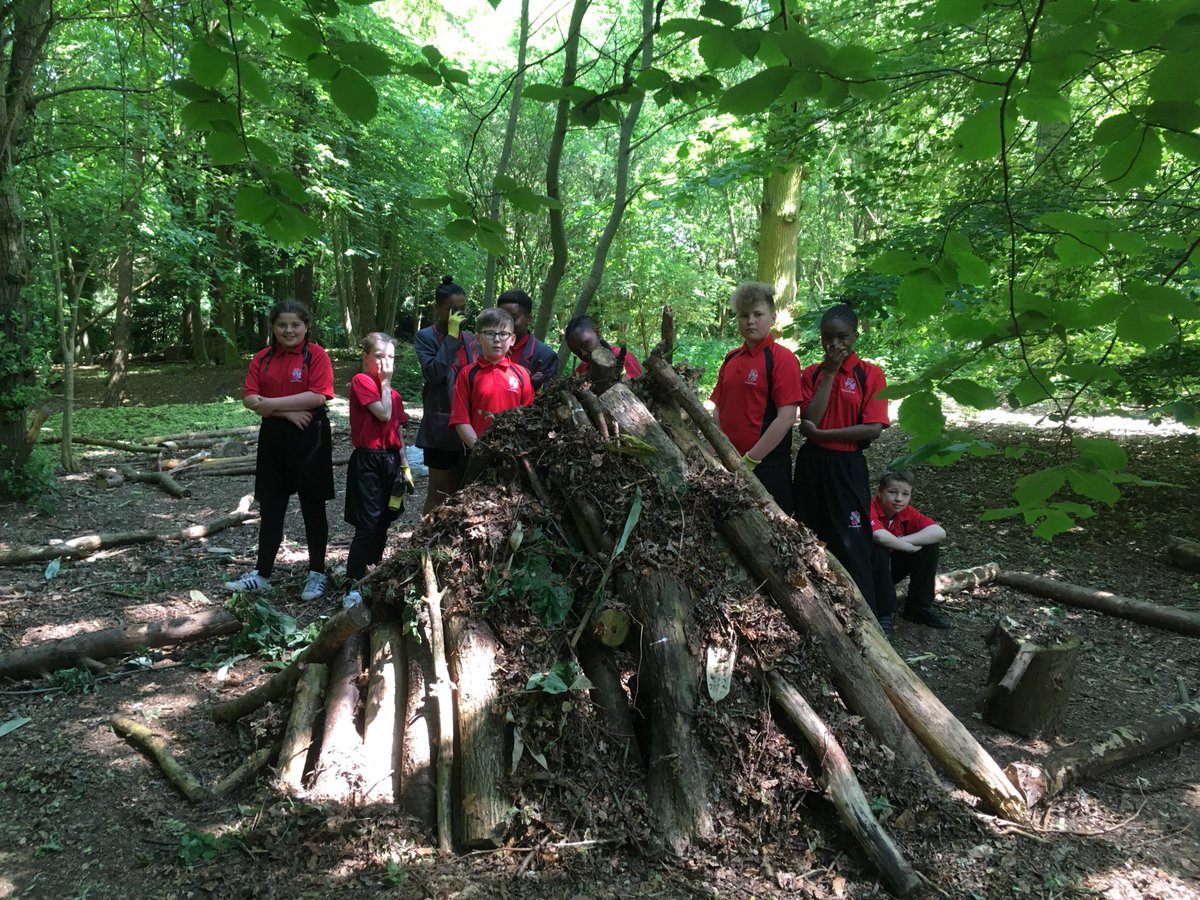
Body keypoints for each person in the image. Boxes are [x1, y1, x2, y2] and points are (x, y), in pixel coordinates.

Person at [225, 298, 334, 602]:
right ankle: (262, 574)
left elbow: (318, 397)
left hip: (310, 436)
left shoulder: (317, 356)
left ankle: (317, 572)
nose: (289, 330)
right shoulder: (262, 358)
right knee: (271, 506)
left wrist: (270, 404)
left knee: (314, 507)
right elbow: (249, 398)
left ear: (306, 326)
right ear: (273, 327)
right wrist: (283, 412)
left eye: (295, 325)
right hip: (274, 437)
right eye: (282, 325)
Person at [793, 303, 890, 625]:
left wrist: (824, 433)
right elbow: (809, 418)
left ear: (855, 336)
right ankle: (815, 611)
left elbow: (873, 428)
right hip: (812, 464)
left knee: (853, 542)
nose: (834, 345)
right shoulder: (813, 374)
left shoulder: (870, 374)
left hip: (848, 465)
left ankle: (871, 619)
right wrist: (831, 374)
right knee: (809, 534)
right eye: (827, 338)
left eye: (842, 337)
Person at [710, 282, 803, 514]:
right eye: (744, 315)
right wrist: (721, 448)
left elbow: (787, 417)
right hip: (728, 460)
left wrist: (751, 459)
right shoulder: (731, 358)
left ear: (772, 318)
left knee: (774, 530)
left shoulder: (783, 359)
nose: (750, 321)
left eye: (757, 314)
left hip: (767, 465)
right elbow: (718, 409)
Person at [342, 332, 413, 609]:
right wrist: (385, 382)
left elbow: (395, 430)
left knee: (385, 519)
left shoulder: (394, 394)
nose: (386, 362)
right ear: (366, 358)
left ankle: (372, 571)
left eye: (391, 357)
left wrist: (405, 467)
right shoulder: (363, 382)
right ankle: (352, 582)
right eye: (379, 356)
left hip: (390, 461)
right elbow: (382, 414)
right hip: (368, 460)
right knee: (367, 523)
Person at [415, 276, 479, 515]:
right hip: (440, 427)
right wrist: (452, 336)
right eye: (453, 310)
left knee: (461, 490)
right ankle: (425, 543)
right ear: (438, 309)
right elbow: (435, 374)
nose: (459, 315)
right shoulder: (426, 337)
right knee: (439, 491)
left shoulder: (472, 339)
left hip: (469, 426)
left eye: (463, 309)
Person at [870, 471, 951, 629]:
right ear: (879, 492)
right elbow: (879, 537)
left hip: (890, 568)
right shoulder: (868, 507)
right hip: (869, 571)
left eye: (905, 494)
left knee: (929, 546)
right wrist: (907, 547)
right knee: (878, 547)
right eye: (892, 492)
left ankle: (917, 608)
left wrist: (898, 542)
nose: (899, 499)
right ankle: (884, 612)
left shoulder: (905, 511)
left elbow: (939, 533)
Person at [449, 307, 534, 449]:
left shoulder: (521, 374)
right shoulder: (467, 374)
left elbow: (530, 417)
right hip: (477, 451)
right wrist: (480, 449)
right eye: (489, 333)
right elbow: (460, 419)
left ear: (512, 339)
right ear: (478, 339)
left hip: (515, 452)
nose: (497, 339)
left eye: (503, 334)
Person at [499, 288, 558, 390]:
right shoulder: (486, 346)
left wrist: (530, 386)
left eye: (513, 318)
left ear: (528, 319)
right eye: (500, 317)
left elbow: (547, 397)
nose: (505, 323)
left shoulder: (546, 356)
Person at [565, 315, 643, 380]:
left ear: (597, 333)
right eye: (577, 352)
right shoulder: (582, 369)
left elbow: (639, 389)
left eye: (584, 345)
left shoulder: (625, 358)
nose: (583, 353)